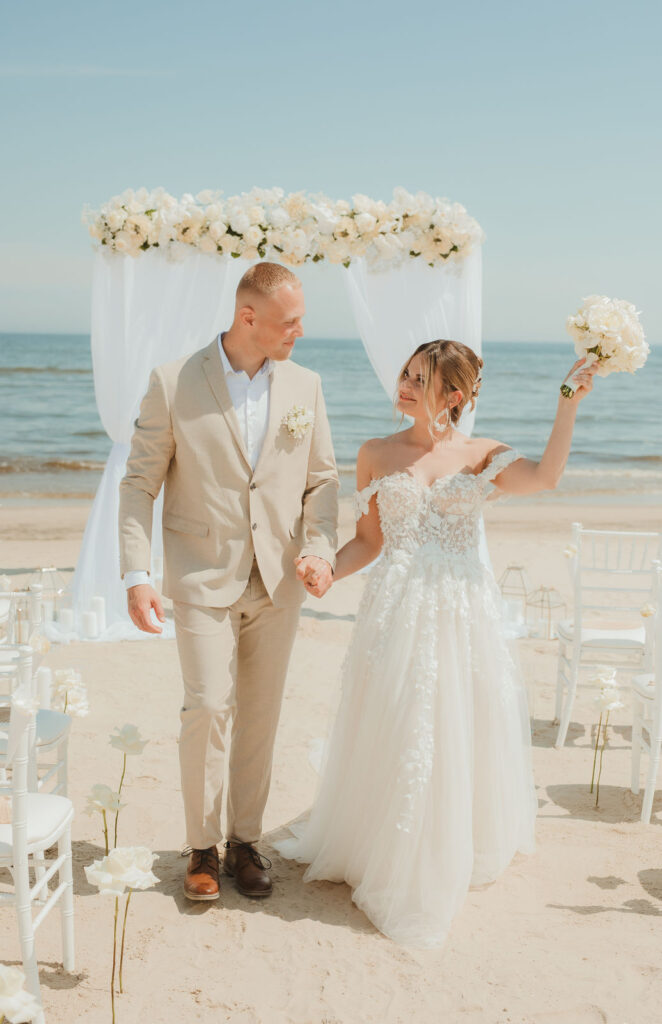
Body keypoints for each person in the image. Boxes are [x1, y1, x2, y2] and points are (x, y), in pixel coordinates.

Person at [276, 339, 597, 947]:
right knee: (397, 722)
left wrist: (567, 403)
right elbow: (368, 541)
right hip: (395, 607)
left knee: (454, 724)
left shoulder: (482, 455)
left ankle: (444, 846)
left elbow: (547, 477)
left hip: (459, 610)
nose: (401, 384)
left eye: (417, 378)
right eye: (403, 372)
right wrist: (326, 571)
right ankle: (384, 845)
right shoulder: (375, 452)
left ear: (453, 395)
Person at [118, 262, 338, 901]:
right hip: (200, 576)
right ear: (249, 319)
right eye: (290, 321)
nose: (300, 330)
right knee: (209, 707)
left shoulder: (307, 385)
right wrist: (137, 574)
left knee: (261, 717)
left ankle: (245, 842)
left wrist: (319, 549)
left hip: (279, 581)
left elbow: (321, 479)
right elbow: (139, 485)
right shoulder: (172, 381)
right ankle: (201, 848)